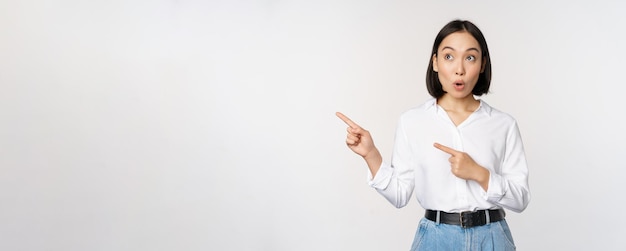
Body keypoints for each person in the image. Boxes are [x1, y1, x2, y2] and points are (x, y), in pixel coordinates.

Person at [336, 20, 530, 251]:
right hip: (436, 240)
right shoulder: (412, 121)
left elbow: (520, 200)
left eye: (470, 57)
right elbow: (399, 195)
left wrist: (480, 174)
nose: (460, 69)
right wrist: (371, 155)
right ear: (435, 62)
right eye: (449, 57)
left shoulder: (503, 124)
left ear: (482, 64)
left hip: (492, 238)